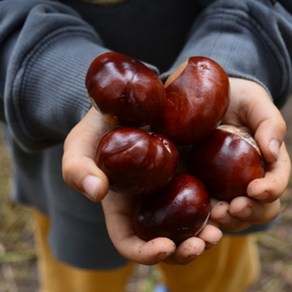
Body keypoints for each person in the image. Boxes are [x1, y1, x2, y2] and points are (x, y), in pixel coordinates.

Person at [0, 0, 291, 291]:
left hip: (207, 190)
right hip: (68, 182)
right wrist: (55, 75)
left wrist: (238, 52)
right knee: (83, 278)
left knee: (210, 273)